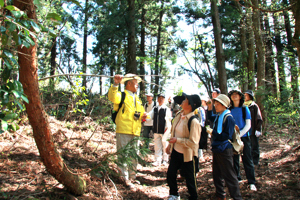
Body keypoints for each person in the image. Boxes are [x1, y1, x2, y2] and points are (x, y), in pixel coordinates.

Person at [108, 74, 147, 189]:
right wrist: (115, 84)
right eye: (136, 83)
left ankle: (132, 177)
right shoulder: (122, 95)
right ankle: (124, 178)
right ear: (129, 83)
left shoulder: (138, 99)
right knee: (123, 154)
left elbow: (141, 113)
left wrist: (143, 116)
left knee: (134, 155)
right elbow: (112, 97)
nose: (137, 86)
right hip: (123, 129)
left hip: (135, 131)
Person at [206, 94, 242, 200]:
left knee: (229, 175)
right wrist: (209, 107)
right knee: (217, 174)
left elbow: (226, 135)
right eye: (215, 104)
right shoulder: (219, 116)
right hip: (217, 148)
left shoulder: (228, 118)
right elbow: (210, 117)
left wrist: (213, 133)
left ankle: (237, 197)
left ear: (224, 105)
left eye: (218, 104)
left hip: (225, 149)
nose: (215, 106)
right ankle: (220, 195)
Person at [166, 93, 201, 200]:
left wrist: (178, 140)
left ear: (190, 105)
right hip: (176, 151)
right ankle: (174, 194)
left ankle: (194, 197)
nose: (183, 101)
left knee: (190, 178)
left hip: (188, 155)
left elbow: (193, 142)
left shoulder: (194, 121)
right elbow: (173, 131)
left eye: (186, 100)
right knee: (171, 173)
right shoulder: (178, 115)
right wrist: (170, 145)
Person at [228, 90, 257, 191]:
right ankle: (237, 179)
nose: (234, 96)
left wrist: (239, 134)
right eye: (232, 95)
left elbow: (248, 124)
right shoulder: (229, 109)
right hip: (232, 138)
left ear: (240, 97)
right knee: (234, 160)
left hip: (244, 137)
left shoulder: (245, 109)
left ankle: (251, 182)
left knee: (247, 159)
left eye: (236, 95)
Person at [147, 94, 172, 166]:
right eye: (159, 98)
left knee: (165, 145)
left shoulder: (166, 109)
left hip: (164, 131)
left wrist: (167, 130)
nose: (161, 99)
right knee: (157, 146)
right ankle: (157, 160)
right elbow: (149, 116)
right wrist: (144, 116)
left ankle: (165, 160)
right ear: (157, 99)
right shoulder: (154, 108)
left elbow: (168, 120)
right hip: (156, 130)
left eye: (162, 98)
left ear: (164, 100)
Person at [243, 90, 263, 166]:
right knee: (247, 146)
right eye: (244, 95)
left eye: (246, 95)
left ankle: (255, 161)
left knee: (254, 146)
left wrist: (258, 129)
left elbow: (259, 118)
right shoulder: (243, 106)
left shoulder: (254, 106)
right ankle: (249, 160)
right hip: (245, 130)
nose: (245, 96)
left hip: (253, 130)